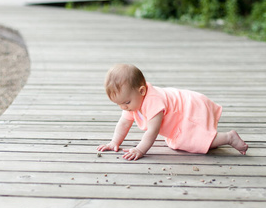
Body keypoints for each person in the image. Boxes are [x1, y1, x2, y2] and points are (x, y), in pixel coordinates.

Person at [97, 64, 248, 161]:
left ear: (142, 91)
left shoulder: (152, 101)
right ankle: (211, 140)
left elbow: (152, 131)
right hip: (182, 111)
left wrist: (140, 149)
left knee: (190, 140)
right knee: (193, 141)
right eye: (118, 104)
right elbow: (124, 122)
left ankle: (229, 137)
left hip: (187, 111)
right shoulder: (133, 101)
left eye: (126, 103)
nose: (123, 107)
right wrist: (114, 142)